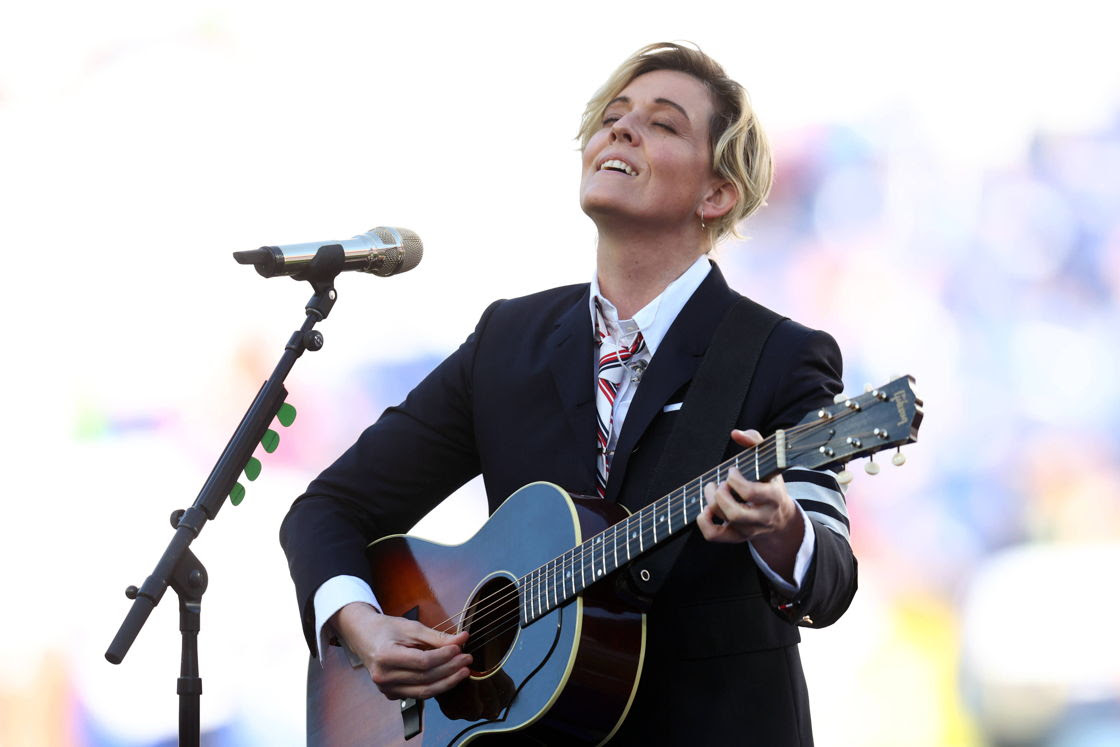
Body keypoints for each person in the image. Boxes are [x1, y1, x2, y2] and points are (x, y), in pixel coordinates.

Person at [281, 42, 856, 745]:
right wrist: (364, 625)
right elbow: (329, 508)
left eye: (663, 123)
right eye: (614, 116)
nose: (621, 129)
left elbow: (830, 577)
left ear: (717, 193)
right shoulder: (507, 340)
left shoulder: (782, 357)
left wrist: (782, 528)